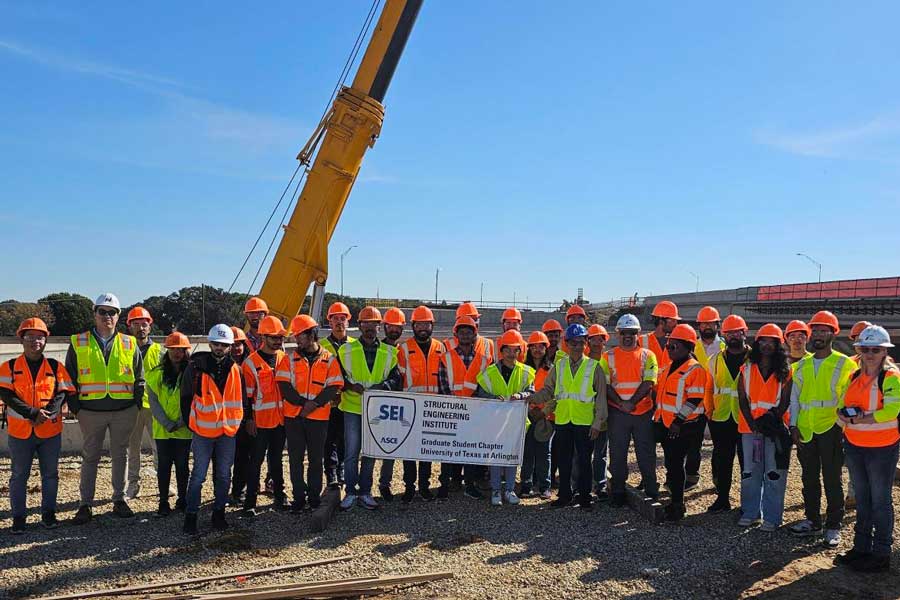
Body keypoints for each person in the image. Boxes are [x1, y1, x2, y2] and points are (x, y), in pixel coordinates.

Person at [66, 293, 144, 525]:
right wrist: (76, 408)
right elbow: (69, 378)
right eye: (103, 311)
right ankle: (85, 504)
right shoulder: (78, 342)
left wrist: (135, 404)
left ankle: (119, 500)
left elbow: (139, 378)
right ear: (95, 313)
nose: (107, 316)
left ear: (119, 316)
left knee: (120, 455)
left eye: (112, 312)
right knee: (90, 456)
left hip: (124, 411)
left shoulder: (129, 343)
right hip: (90, 411)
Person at [788, 311, 858, 547]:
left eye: (823, 330)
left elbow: (849, 399)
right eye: (815, 331)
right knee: (808, 477)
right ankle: (812, 520)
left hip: (831, 428)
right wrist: (793, 425)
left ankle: (833, 525)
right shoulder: (801, 365)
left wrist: (839, 426)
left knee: (832, 478)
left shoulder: (845, 363)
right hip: (806, 428)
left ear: (833, 333)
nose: (818, 335)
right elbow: (795, 399)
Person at [834, 325, 900, 573]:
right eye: (866, 349)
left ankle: (881, 553)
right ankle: (861, 547)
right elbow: (841, 405)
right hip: (855, 445)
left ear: (884, 352)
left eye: (876, 349)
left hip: (882, 448)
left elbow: (892, 411)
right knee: (862, 499)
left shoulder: (891, 377)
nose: (870, 353)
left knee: (880, 501)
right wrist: (843, 415)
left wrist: (861, 419)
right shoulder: (853, 377)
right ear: (859, 350)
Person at [0, 318, 73, 533]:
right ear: (21, 339)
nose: (35, 341)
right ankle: (19, 518)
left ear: (45, 340)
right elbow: (6, 394)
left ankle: (48, 515)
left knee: (50, 474)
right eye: (30, 337)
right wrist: (32, 413)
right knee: (19, 475)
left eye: (39, 337)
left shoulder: (54, 366)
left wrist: (46, 413)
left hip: (49, 431)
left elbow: (62, 392)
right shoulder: (10, 366)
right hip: (20, 432)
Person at [527, 324, 607, 510]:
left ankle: (585, 497)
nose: (577, 346)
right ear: (567, 343)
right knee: (564, 461)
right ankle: (565, 495)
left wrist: (597, 423)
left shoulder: (594, 367)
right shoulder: (559, 366)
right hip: (563, 421)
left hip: (585, 422)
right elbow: (548, 390)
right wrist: (529, 399)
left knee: (585, 462)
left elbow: (601, 398)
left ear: (586, 343)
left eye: (581, 342)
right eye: (573, 342)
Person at [276, 315, 343, 512]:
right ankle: (298, 498)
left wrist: (314, 405)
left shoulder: (329, 359)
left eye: (300, 336)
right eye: (296, 336)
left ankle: (313, 498)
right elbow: (284, 386)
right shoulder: (289, 359)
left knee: (316, 460)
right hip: (294, 418)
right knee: (295, 459)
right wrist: (303, 404)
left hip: (318, 419)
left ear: (311, 334)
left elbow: (334, 387)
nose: (297, 340)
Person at [181, 325, 244, 534]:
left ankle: (219, 513)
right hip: (203, 432)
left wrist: (236, 423)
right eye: (216, 344)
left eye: (224, 345)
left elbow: (239, 398)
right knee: (198, 476)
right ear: (210, 344)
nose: (219, 348)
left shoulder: (235, 369)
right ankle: (191, 515)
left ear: (229, 347)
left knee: (225, 475)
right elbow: (186, 397)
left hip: (227, 431)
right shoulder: (196, 367)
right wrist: (192, 423)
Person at [338, 306, 402, 510]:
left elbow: (395, 379)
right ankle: (350, 491)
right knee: (351, 452)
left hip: (376, 410)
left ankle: (365, 491)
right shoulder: (345, 350)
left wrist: (382, 386)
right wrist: (349, 386)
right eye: (366, 323)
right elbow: (336, 378)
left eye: (374, 323)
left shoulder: (390, 352)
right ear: (359, 325)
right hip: (352, 408)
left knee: (370, 452)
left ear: (379, 326)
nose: (370, 327)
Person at [736, 324, 792, 531]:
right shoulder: (746, 369)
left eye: (772, 341)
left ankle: (772, 517)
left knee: (774, 473)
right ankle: (750, 512)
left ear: (778, 345)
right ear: (757, 343)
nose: (767, 345)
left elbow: (785, 399)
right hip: (750, 429)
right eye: (763, 340)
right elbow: (742, 398)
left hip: (775, 430)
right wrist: (753, 424)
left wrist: (772, 419)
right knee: (750, 473)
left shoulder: (786, 371)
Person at [600, 314, 659, 507]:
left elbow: (649, 382)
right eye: (624, 333)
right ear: (618, 334)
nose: (628, 336)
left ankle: (651, 490)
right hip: (618, 413)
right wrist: (622, 403)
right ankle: (618, 492)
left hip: (642, 412)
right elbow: (605, 385)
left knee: (646, 453)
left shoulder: (648, 355)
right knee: (617, 454)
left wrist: (631, 402)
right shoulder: (607, 357)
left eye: (631, 333)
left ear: (638, 334)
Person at [654, 324, 710, 521]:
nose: (669, 350)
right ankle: (673, 499)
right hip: (665, 423)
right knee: (671, 463)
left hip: (681, 427)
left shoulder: (694, 369)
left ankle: (678, 505)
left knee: (677, 465)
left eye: (674, 346)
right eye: (668, 346)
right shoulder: (669, 368)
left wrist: (678, 421)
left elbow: (694, 399)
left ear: (688, 347)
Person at [474, 330, 535, 506]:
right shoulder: (490, 372)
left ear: (519, 351)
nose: (511, 353)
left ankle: (509, 490)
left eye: (515, 350)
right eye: (508, 349)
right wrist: (494, 399)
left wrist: (521, 395)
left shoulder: (526, 372)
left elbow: (531, 391)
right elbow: (481, 393)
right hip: (495, 422)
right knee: (495, 457)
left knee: (511, 457)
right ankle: (495, 491)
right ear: (502, 351)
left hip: (516, 423)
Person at [438, 315, 490, 500]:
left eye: (469, 331)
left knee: (468, 448)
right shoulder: (446, 358)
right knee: (448, 448)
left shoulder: (485, 360)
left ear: (475, 334)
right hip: (451, 410)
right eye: (462, 332)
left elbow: (485, 386)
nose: (466, 335)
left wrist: (473, 406)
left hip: (473, 412)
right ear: (456, 334)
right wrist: (453, 405)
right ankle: (447, 483)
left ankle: (469, 484)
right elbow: (443, 385)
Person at [398, 306, 447, 503]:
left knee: (426, 449)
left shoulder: (440, 348)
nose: (423, 327)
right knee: (409, 450)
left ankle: (424, 486)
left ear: (432, 325)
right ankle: (409, 487)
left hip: (432, 408)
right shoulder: (404, 349)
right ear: (413, 326)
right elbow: (399, 378)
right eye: (419, 324)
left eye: (427, 324)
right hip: (411, 408)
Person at [241, 315, 288, 515]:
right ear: (263, 337)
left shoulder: (283, 359)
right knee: (256, 461)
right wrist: (249, 419)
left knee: (277, 461)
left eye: (280, 337)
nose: (278, 341)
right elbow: (247, 397)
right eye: (274, 337)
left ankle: (280, 495)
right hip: (260, 423)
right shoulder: (250, 363)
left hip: (280, 421)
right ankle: (250, 501)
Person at [704, 314, 750, 512]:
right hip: (721, 417)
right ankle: (722, 498)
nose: (732, 336)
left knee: (747, 462)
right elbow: (708, 388)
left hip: (746, 419)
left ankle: (748, 502)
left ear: (744, 333)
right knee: (723, 460)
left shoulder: (754, 359)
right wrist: (709, 412)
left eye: (736, 332)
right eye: (728, 332)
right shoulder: (714, 360)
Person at [146, 332, 193, 517]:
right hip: (163, 430)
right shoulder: (156, 374)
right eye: (173, 349)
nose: (177, 353)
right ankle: (163, 501)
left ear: (185, 351)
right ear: (167, 350)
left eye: (180, 350)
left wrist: (182, 421)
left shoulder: (191, 373)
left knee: (182, 466)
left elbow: (192, 399)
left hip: (183, 429)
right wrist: (166, 422)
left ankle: (183, 499)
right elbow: (153, 401)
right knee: (164, 466)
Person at [125, 307, 162, 500]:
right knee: (133, 448)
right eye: (136, 324)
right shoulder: (124, 348)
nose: (140, 328)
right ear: (129, 326)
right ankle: (132, 484)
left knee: (159, 446)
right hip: (131, 406)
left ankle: (162, 481)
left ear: (150, 325)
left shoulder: (158, 351)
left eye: (144, 324)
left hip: (153, 406)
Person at [321, 301, 355, 489]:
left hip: (349, 401)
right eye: (336, 319)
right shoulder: (322, 346)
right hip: (330, 401)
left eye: (343, 319)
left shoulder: (354, 345)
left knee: (345, 439)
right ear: (330, 322)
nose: (339, 322)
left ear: (348, 322)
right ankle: (331, 474)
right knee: (329, 440)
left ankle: (342, 470)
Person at [377, 307, 406, 500]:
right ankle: (361, 486)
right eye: (391, 326)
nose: (394, 330)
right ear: (384, 327)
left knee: (391, 446)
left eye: (398, 327)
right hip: (376, 404)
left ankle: (384, 484)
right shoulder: (375, 349)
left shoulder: (403, 350)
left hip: (398, 404)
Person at [521, 331, 554, 499]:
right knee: (527, 452)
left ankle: (544, 486)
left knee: (544, 453)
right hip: (526, 416)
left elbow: (555, 394)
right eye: (533, 346)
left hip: (544, 418)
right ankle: (526, 485)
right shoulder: (522, 369)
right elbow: (518, 392)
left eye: (541, 346)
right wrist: (529, 411)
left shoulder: (552, 370)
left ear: (546, 348)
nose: (537, 349)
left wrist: (542, 412)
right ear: (528, 348)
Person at [229, 326, 253, 505]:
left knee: (243, 457)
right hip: (224, 419)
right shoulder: (221, 364)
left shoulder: (250, 364)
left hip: (243, 418)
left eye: (240, 344)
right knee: (222, 459)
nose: (236, 348)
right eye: (233, 344)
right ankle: (221, 491)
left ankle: (239, 491)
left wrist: (249, 418)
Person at [586, 324, 610, 500]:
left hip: (603, 414)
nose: (596, 342)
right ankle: (581, 486)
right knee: (581, 453)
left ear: (604, 341)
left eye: (600, 338)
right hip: (584, 414)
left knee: (600, 453)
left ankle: (600, 485)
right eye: (593, 338)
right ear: (588, 341)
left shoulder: (609, 361)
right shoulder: (582, 361)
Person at [640, 300, 679, 371]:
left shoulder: (677, 343)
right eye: (672, 320)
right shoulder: (641, 341)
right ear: (661, 322)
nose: (676, 324)